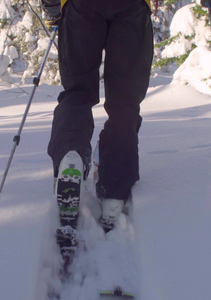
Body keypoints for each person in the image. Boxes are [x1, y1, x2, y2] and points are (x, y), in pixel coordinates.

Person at [42, 0, 153, 260]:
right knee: (124, 101)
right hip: (132, 8)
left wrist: (51, 7)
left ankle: (71, 155)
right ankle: (114, 190)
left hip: (81, 6)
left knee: (78, 92)